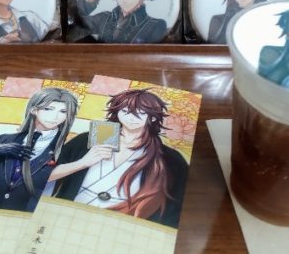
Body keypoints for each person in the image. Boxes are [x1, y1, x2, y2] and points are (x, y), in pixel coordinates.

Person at [48, 88, 188, 228]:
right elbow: (45, 174)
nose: (131, 117)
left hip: (123, 225)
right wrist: (83, 163)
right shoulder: (87, 139)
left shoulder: (169, 158)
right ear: (117, 111)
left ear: (152, 117)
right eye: (125, 111)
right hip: (70, 215)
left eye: (141, 113)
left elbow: (177, 206)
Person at [0, 87, 78, 212]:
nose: (55, 116)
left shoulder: (64, 149)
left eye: (63, 112)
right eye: (48, 109)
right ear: (34, 110)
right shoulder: (5, 140)